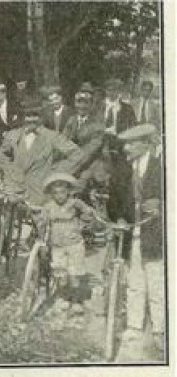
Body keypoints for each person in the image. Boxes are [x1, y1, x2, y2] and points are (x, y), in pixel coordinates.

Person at [108, 124, 163, 361]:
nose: (127, 148)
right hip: (132, 232)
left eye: (131, 143)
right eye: (125, 144)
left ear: (146, 143)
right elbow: (114, 199)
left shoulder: (161, 167)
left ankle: (160, 328)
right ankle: (134, 325)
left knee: (156, 281)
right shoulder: (122, 170)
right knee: (134, 280)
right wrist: (118, 217)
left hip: (156, 234)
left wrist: (161, 205)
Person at [0, 94, 85, 206]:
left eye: (35, 115)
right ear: (23, 117)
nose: (31, 119)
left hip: (40, 193)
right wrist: (11, 172)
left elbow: (77, 154)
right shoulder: (13, 135)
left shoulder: (51, 136)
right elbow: (2, 155)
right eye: (28, 115)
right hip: (15, 193)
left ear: (41, 117)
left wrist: (55, 173)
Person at [42, 173, 95, 316]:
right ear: (52, 194)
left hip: (74, 243)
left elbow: (88, 212)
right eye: (55, 193)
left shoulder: (75, 203)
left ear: (68, 192)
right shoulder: (48, 207)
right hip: (57, 244)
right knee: (60, 273)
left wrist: (83, 223)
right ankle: (63, 297)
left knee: (75, 273)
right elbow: (43, 223)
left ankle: (77, 301)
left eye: (62, 192)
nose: (59, 196)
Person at [63, 87, 106, 175]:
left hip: (91, 164)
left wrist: (70, 167)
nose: (82, 106)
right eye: (79, 102)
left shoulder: (98, 124)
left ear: (91, 105)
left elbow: (90, 150)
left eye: (86, 103)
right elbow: (63, 141)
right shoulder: (71, 120)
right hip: (72, 162)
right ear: (75, 103)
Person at [102, 78, 137, 164]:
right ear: (106, 91)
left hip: (119, 142)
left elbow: (133, 126)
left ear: (119, 91)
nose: (112, 93)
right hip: (100, 141)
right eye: (109, 90)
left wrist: (128, 143)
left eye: (115, 90)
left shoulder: (127, 108)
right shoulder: (98, 106)